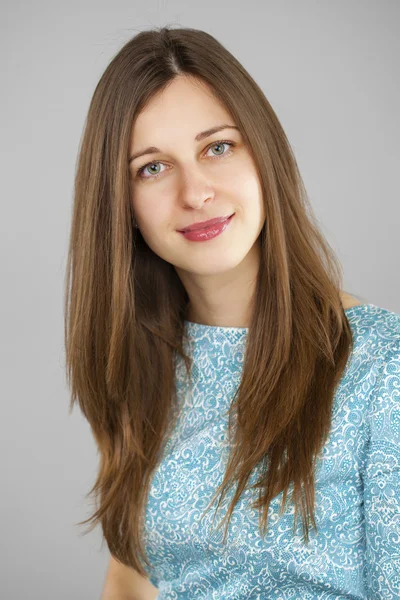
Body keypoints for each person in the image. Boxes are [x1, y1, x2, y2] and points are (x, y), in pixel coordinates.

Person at [64, 26, 400, 600]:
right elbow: (132, 573)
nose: (195, 192)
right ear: (122, 207)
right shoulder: (140, 365)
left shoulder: (378, 366)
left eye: (217, 147)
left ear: (263, 155)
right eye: (152, 167)